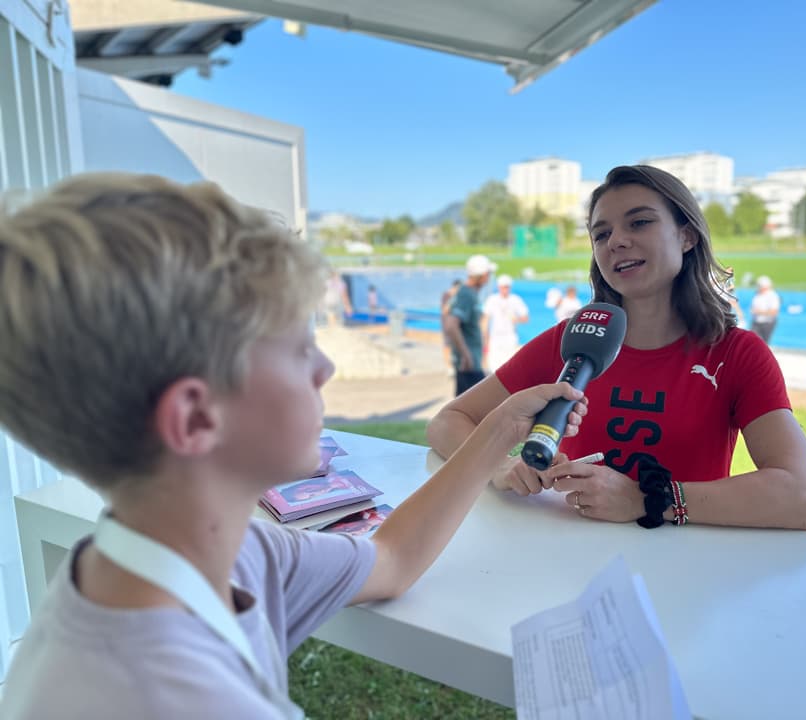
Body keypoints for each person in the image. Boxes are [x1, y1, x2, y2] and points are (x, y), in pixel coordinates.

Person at [0, 173, 588, 719]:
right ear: (195, 416)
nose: (326, 367)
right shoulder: (168, 697)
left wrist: (498, 431)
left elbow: (392, 561)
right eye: (296, 347)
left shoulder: (230, 552)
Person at [426, 164, 806, 531]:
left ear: (686, 236)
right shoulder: (569, 340)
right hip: (573, 564)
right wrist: (500, 467)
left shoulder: (737, 354)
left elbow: (801, 496)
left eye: (640, 222)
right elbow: (449, 421)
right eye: (601, 233)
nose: (616, 241)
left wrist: (649, 499)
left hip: (688, 574)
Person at [445, 254, 496, 395]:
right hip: (468, 365)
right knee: (477, 408)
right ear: (483, 275)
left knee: (467, 411)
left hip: (471, 362)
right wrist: (466, 355)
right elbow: (451, 325)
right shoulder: (466, 294)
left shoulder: (469, 293)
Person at [482, 274, 529, 371]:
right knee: (494, 366)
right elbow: (485, 319)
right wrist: (485, 336)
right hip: (495, 336)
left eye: (507, 287)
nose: (505, 289)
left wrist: (517, 319)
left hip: (510, 336)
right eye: (503, 287)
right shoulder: (492, 299)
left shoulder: (515, 300)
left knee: (509, 366)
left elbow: (525, 318)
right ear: (499, 287)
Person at [749, 275, 781, 344]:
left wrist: (759, 312)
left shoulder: (773, 296)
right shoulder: (757, 294)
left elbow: (774, 311)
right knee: (751, 340)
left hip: (767, 322)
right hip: (756, 322)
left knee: (764, 343)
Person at [440, 278, 462, 372]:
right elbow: (445, 310)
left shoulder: (460, 297)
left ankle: (457, 365)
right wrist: (453, 300)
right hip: (447, 325)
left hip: (457, 326)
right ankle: (449, 367)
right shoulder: (446, 295)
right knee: (447, 346)